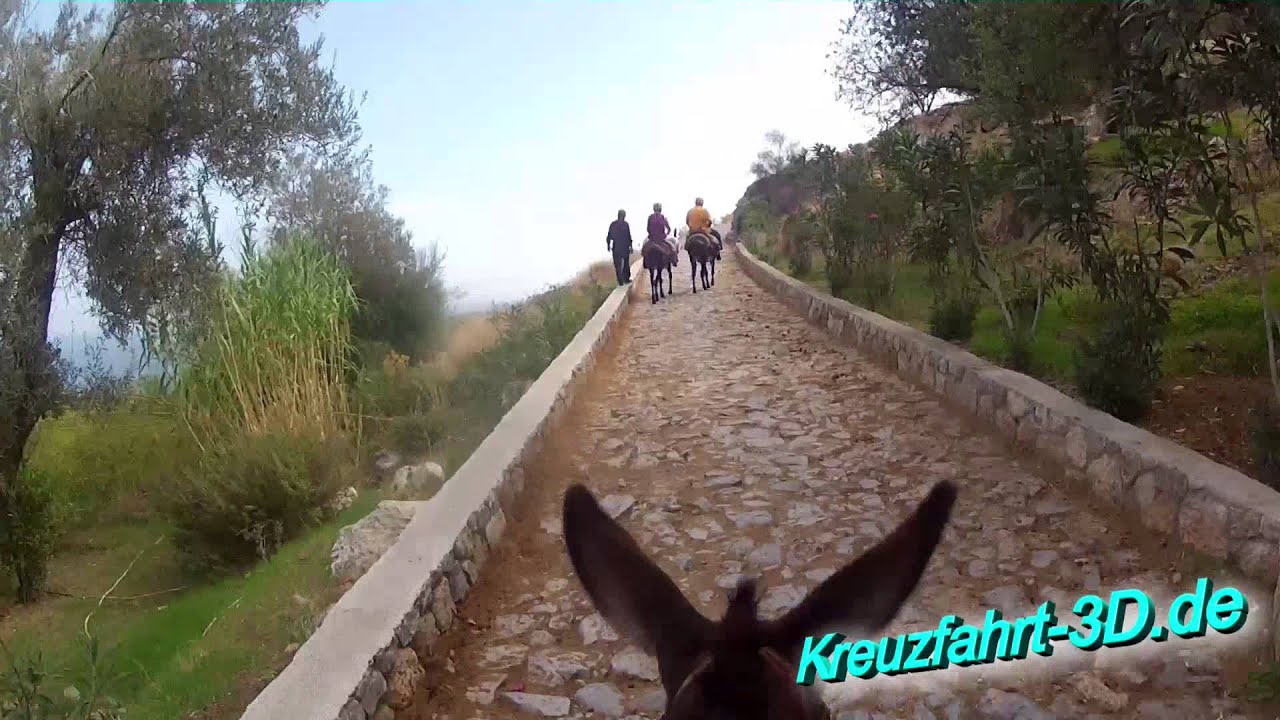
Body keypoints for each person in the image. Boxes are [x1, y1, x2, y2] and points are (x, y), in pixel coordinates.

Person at [606, 209, 633, 285]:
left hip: (617, 247)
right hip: (624, 247)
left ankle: (620, 281)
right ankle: (626, 279)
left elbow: (609, 236)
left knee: (618, 265)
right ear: (624, 216)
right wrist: (630, 246)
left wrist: (608, 245)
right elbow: (629, 236)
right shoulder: (625, 224)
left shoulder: (613, 224)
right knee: (625, 264)